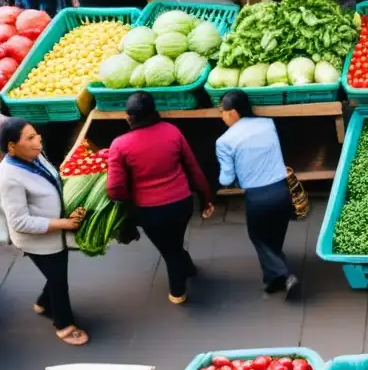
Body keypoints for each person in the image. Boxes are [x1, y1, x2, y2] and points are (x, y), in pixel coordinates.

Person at [106, 92, 214, 305]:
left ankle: (178, 292)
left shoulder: (120, 145)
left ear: (130, 118)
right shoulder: (172, 131)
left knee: (168, 250)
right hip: (182, 204)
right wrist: (206, 198)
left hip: (150, 212)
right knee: (174, 242)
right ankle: (189, 267)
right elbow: (193, 168)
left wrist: (130, 201)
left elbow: (115, 188)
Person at [0, 118, 88, 345]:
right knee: (59, 281)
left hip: (54, 234)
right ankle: (64, 325)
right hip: (38, 241)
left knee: (56, 275)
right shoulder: (8, 177)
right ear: (11, 147)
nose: (38, 140)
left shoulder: (34, 155)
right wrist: (62, 224)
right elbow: (19, 221)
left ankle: (43, 303)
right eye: (30, 138)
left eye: (36, 134)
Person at [216, 91, 299, 298]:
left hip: (258, 197)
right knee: (274, 236)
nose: (221, 116)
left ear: (233, 113)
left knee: (258, 237)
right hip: (282, 191)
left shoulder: (224, 141)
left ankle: (284, 274)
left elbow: (225, 179)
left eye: (222, 111)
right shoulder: (268, 124)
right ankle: (272, 281)